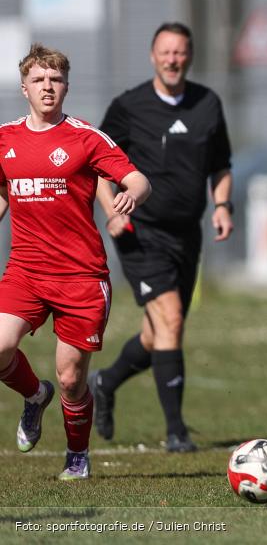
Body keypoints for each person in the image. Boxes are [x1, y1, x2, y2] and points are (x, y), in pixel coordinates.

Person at [0, 43, 151, 480]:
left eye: (56, 79)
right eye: (39, 80)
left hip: (81, 277)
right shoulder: (5, 139)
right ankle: (33, 397)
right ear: (24, 88)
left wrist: (130, 195)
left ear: (66, 86)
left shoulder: (85, 138)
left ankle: (77, 456)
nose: (48, 87)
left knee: (71, 379)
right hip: (25, 271)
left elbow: (138, 179)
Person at [88, 22, 234, 452]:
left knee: (159, 334)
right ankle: (176, 433)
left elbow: (221, 163)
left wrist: (223, 206)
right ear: (153, 56)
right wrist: (111, 209)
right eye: (165, 52)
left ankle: (105, 382)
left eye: (180, 52)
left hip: (187, 235)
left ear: (189, 56)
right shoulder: (128, 106)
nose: (173, 59)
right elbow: (96, 163)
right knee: (169, 320)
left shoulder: (208, 103)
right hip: (140, 231)